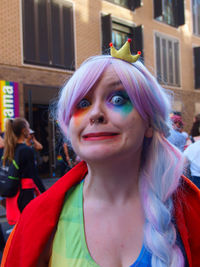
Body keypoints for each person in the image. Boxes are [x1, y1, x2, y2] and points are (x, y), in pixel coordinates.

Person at [2, 40, 200, 267]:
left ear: (149, 124)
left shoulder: (192, 210)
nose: (95, 113)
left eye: (118, 99)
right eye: (83, 102)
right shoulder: (37, 221)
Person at [1, 118, 46, 225]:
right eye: (27, 127)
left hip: (14, 193)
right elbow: (34, 176)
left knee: (19, 224)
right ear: (23, 131)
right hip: (24, 193)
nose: (29, 130)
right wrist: (45, 193)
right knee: (28, 224)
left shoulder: (10, 148)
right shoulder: (26, 150)